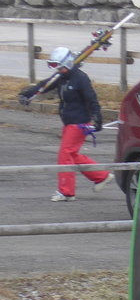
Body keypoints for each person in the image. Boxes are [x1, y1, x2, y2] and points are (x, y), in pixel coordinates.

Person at [46, 46, 110, 202]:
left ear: (66, 63)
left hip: (79, 122)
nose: (58, 70)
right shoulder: (63, 77)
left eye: (59, 66)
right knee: (72, 154)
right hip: (69, 121)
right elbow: (45, 85)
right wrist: (28, 93)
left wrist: (97, 118)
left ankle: (66, 191)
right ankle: (101, 176)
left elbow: (92, 99)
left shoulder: (80, 78)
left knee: (65, 154)